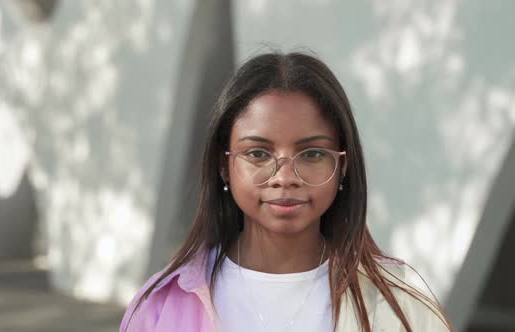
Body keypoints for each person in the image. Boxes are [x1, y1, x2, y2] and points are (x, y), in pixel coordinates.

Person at [120, 51, 454, 332]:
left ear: (343, 166)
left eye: (311, 154)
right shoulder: (161, 304)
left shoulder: (399, 302)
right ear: (225, 165)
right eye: (258, 153)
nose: (284, 178)